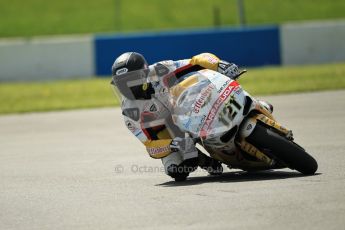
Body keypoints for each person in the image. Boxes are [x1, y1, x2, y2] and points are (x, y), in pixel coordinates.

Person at [111, 52, 271, 181]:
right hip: (173, 133)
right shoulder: (129, 112)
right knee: (178, 169)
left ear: (143, 74)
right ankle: (206, 161)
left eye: (128, 81)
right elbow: (151, 144)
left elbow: (196, 61)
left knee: (218, 87)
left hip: (191, 108)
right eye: (120, 83)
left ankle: (254, 104)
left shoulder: (160, 70)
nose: (125, 87)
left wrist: (219, 65)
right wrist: (172, 144)